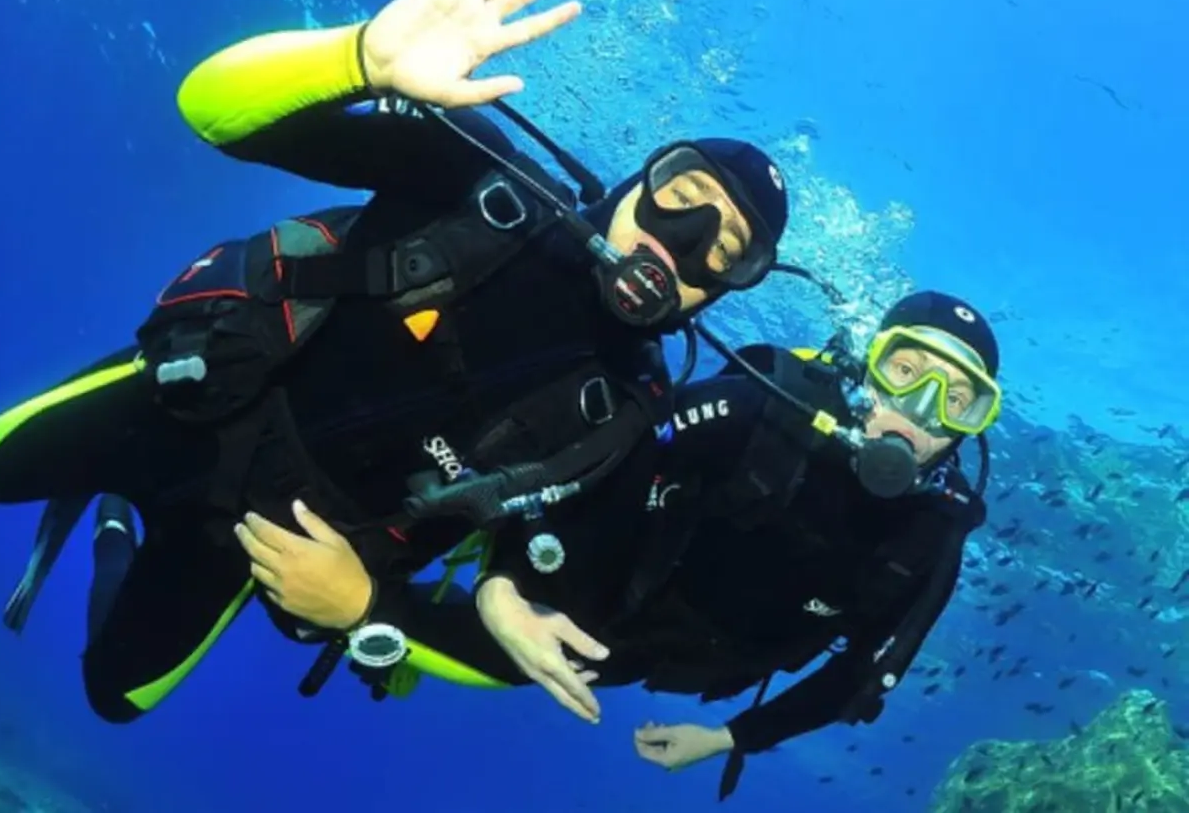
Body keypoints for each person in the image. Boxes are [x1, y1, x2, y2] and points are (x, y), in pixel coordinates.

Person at [0, 0, 789, 724]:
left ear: (720, 294)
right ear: (637, 182)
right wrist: (360, 58)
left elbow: (534, 643)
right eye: (683, 197)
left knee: (115, 698)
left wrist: (370, 607)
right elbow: (209, 109)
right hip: (177, 402)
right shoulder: (478, 180)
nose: (684, 243)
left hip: (264, 539)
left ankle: (114, 525)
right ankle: (106, 475)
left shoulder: (629, 416)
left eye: (727, 251)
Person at [245, 289, 1001, 799]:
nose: (919, 409)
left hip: (679, 660)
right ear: (867, 366)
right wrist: (505, 581)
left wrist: (728, 738)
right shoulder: (761, 404)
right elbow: (604, 458)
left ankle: (376, 608)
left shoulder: (934, 537)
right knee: (502, 656)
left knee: (525, 661)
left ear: (970, 427)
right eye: (905, 370)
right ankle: (368, 599)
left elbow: (858, 680)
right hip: (602, 590)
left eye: (956, 400)